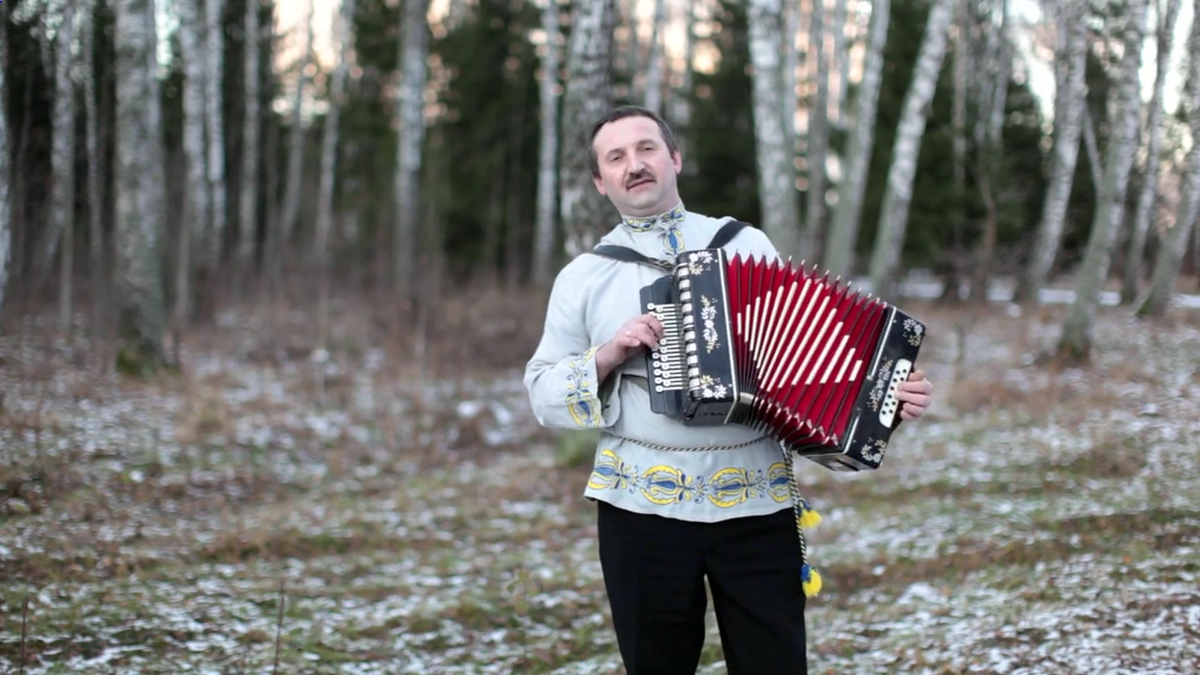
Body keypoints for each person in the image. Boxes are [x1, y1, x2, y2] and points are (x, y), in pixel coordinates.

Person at [523, 105, 934, 674]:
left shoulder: (744, 245)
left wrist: (889, 396)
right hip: (642, 511)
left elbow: (811, 360)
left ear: (675, 159)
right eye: (615, 157)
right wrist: (611, 353)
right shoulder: (585, 276)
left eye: (646, 149)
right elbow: (542, 394)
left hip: (756, 503)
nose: (634, 165)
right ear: (600, 181)